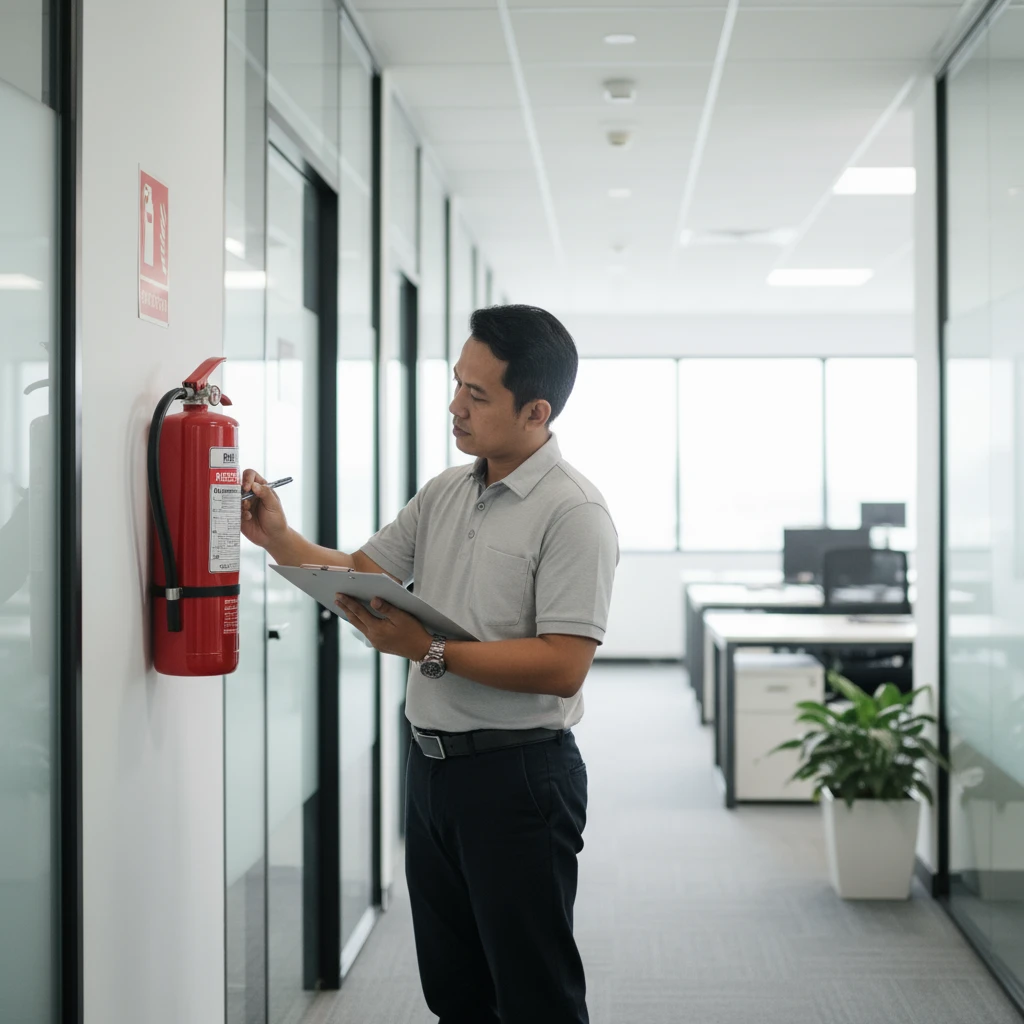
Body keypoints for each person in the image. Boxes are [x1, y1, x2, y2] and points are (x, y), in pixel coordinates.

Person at [241, 304, 619, 1024]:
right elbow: (358, 572)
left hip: (519, 779)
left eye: (478, 395)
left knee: (534, 996)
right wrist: (278, 539)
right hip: (433, 772)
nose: (456, 407)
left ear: (536, 411)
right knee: (455, 993)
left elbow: (564, 664)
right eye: (457, 385)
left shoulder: (575, 515)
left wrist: (428, 650)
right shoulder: (448, 491)